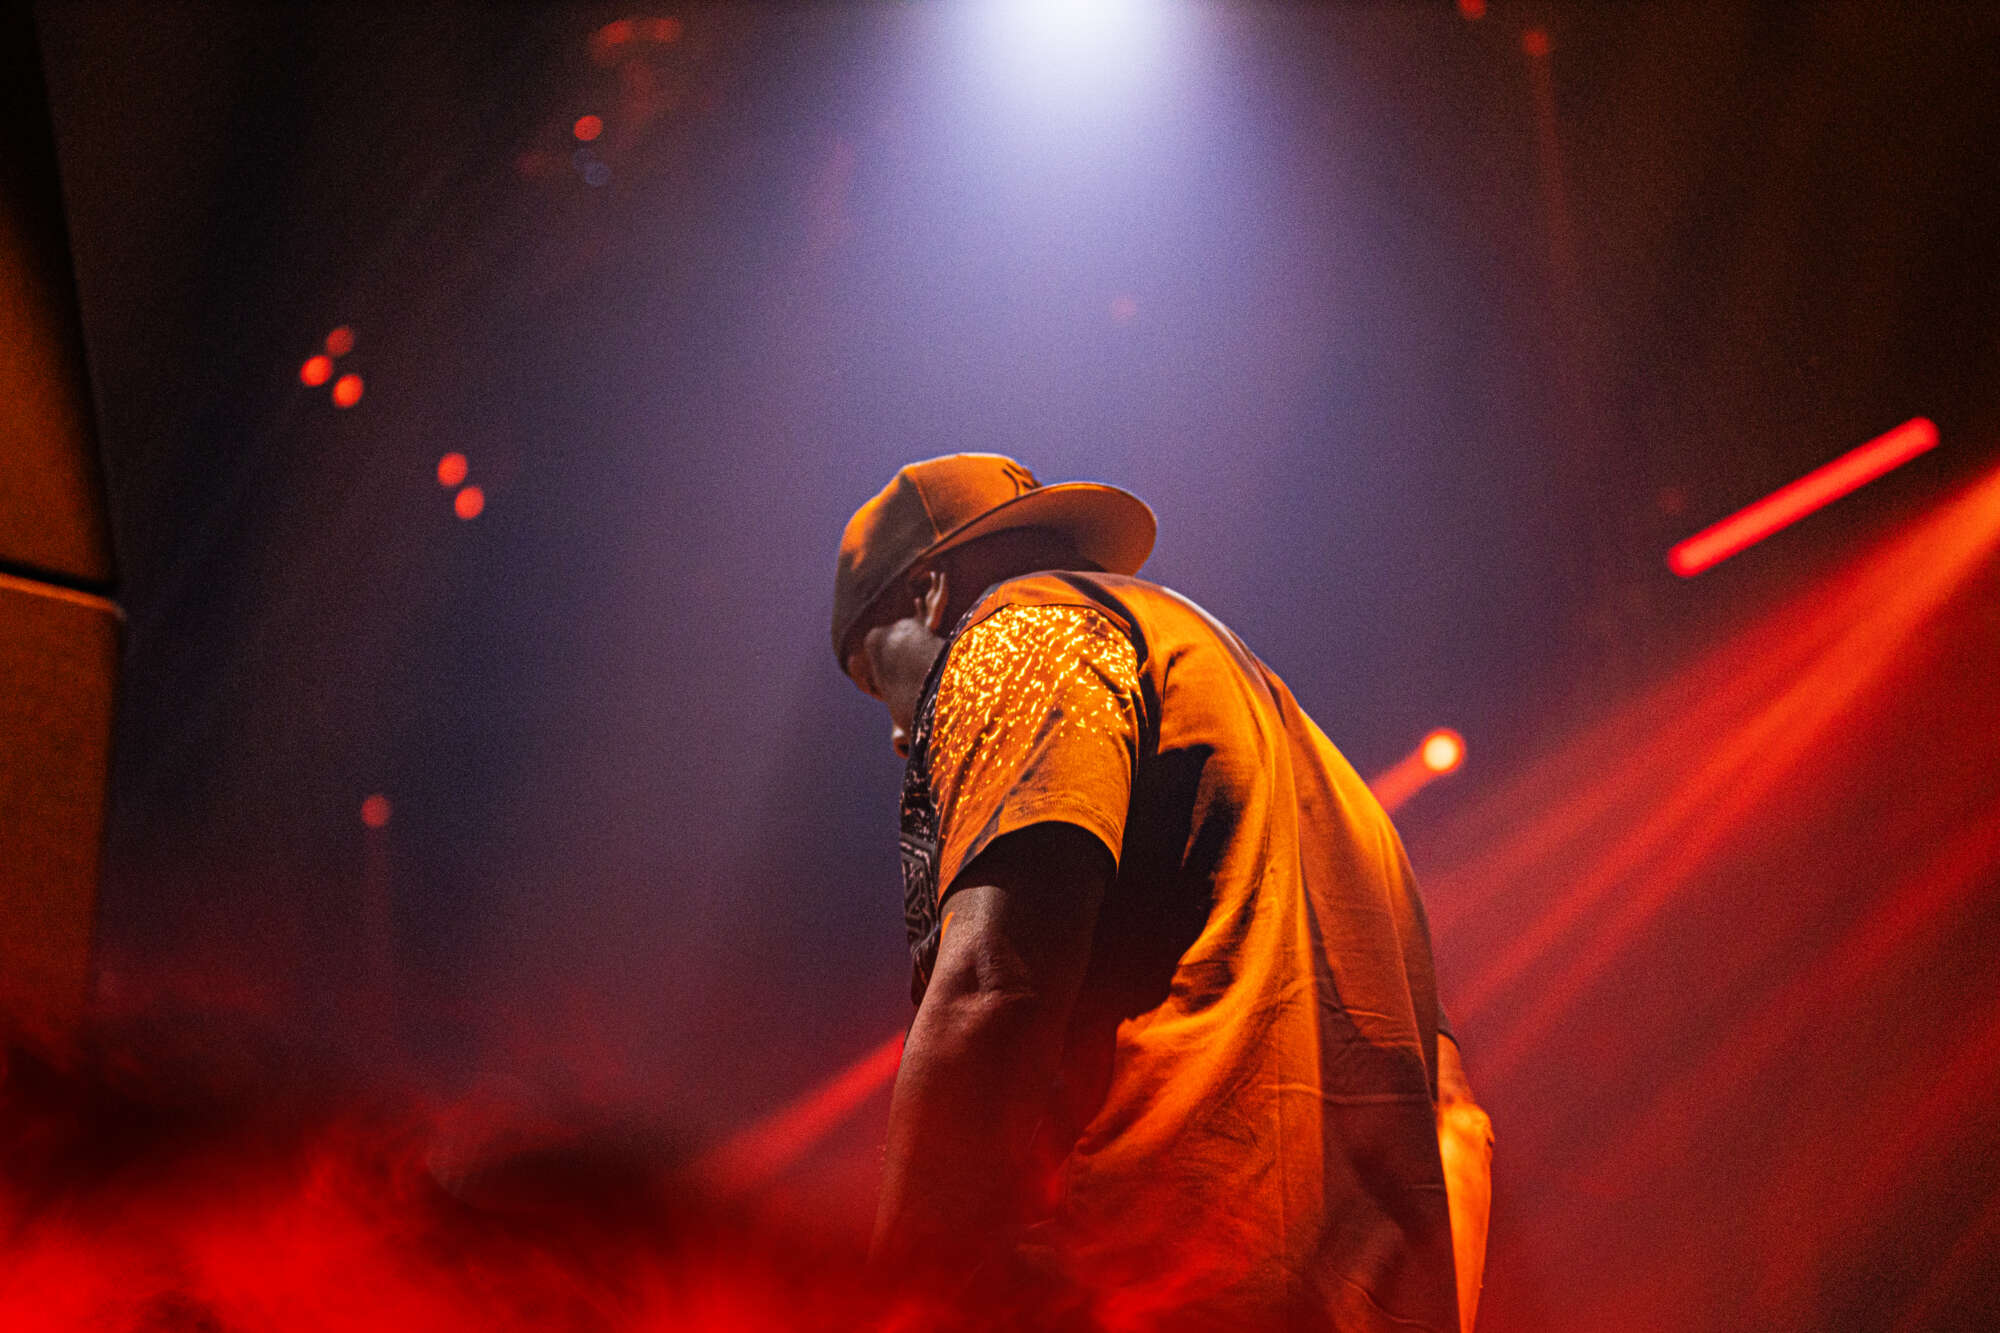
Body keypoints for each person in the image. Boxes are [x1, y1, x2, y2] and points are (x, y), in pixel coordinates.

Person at [832, 454, 1492, 1332]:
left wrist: (892, 1302)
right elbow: (1458, 1125)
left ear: (928, 593)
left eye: (875, 673)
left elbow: (994, 985)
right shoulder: (1334, 786)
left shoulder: (1023, 631)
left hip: (1138, 1294)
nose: (896, 732)